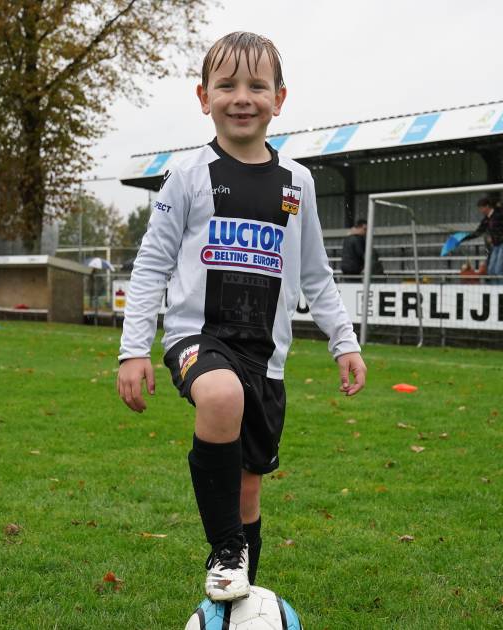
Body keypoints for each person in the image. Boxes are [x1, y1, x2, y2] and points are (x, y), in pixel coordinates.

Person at [116, 32, 367, 603]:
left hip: (267, 356)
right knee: (221, 396)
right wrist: (133, 350)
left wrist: (343, 341)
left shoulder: (297, 183)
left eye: (257, 85)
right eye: (227, 85)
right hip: (196, 338)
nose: (242, 97)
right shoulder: (186, 176)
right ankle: (225, 552)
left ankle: (240, 587)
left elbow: (316, 274)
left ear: (280, 98)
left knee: (249, 484)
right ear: (203, 97)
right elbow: (151, 265)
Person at [466, 195, 503, 282]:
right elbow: (478, 232)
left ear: (487, 206)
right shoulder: (486, 220)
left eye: (481, 208)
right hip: (496, 245)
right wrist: (463, 238)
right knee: (491, 271)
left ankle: (502, 290)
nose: (480, 211)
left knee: (499, 270)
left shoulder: (500, 214)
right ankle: (495, 291)